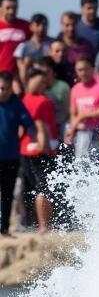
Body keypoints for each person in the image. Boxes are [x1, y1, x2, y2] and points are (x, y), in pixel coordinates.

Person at [0, 71, 40, 235]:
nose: (3, 92)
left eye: (6, 88)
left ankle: (3, 230)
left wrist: (35, 140)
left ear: (11, 89)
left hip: (11, 157)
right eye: (0, 88)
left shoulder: (16, 104)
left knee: (7, 194)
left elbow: (29, 125)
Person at [19, 68, 59, 233]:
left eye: (44, 81)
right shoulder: (41, 101)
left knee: (39, 188)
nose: (43, 84)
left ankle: (42, 225)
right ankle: (44, 226)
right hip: (40, 149)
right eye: (39, 81)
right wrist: (45, 147)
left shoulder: (24, 99)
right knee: (44, 188)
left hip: (27, 149)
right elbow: (40, 126)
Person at [67, 57, 99, 159]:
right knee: (81, 165)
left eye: (86, 69)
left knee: (98, 163)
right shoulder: (75, 89)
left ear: (92, 69)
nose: (83, 73)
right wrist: (72, 130)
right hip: (82, 132)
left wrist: (85, 114)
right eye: (80, 70)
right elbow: (74, 113)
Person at [0, 0, 31, 92]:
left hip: (20, 76)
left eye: (14, 8)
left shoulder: (26, 26)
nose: (11, 11)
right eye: (8, 8)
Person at [14, 14, 52, 88]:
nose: (41, 28)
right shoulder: (23, 47)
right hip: (29, 83)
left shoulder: (51, 44)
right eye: (38, 25)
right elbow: (21, 69)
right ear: (31, 27)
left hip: (48, 82)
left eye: (44, 25)